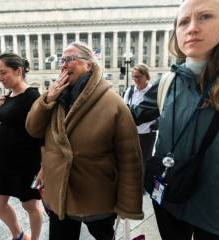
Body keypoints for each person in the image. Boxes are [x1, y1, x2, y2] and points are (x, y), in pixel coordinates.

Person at [131, 0, 219, 239]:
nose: (192, 28)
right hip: (170, 202)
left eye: (205, 17)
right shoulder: (168, 82)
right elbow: (129, 116)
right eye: (183, 21)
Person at [25, 41, 144, 240]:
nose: (63, 64)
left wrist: (127, 205)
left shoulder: (113, 103)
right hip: (59, 197)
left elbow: (130, 159)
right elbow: (33, 129)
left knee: (104, 236)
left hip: (95, 197)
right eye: (62, 60)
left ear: (89, 65)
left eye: (70, 59)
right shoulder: (55, 98)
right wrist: (47, 99)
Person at [0, 53, 43, 240]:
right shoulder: (9, 95)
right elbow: (8, 121)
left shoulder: (32, 96)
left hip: (25, 164)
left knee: (31, 206)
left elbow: (41, 132)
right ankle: (19, 235)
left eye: (3, 72)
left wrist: (43, 167)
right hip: (5, 165)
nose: (0, 77)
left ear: (18, 70)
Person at [123, 64, 157, 167]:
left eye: (139, 77)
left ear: (147, 76)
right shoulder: (131, 90)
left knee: (145, 162)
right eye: (134, 77)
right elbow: (125, 109)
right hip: (132, 133)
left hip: (147, 134)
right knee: (131, 160)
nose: (136, 79)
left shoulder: (153, 91)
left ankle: (144, 182)